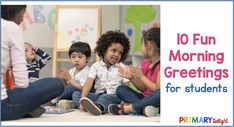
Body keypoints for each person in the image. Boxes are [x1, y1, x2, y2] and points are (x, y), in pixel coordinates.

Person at [1, 5, 65, 120]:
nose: (22, 19)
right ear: (15, 11)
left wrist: (37, 50)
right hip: (7, 102)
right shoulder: (11, 27)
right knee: (57, 83)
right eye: (22, 14)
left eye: (31, 49)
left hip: (24, 89)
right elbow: (21, 83)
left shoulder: (36, 65)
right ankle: (29, 107)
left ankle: (28, 107)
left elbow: (47, 58)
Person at [108, 27, 160, 117]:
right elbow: (144, 89)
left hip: (158, 100)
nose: (141, 48)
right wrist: (131, 78)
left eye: (142, 45)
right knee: (121, 89)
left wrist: (141, 77)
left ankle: (132, 108)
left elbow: (157, 90)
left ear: (148, 44)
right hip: (145, 99)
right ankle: (145, 108)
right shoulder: (146, 64)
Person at [76, 30, 131, 115]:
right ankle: (86, 105)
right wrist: (83, 98)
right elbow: (89, 82)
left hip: (115, 96)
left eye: (120, 53)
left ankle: (99, 107)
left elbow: (126, 86)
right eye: (113, 50)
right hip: (98, 95)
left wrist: (126, 100)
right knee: (77, 94)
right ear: (104, 49)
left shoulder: (122, 67)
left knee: (105, 97)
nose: (117, 54)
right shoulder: (96, 66)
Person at [53, 42, 91, 109]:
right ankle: (71, 103)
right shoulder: (72, 71)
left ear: (87, 59)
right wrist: (64, 79)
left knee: (73, 90)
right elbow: (66, 87)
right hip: (70, 94)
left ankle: (56, 99)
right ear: (70, 58)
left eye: (80, 57)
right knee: (59, 83)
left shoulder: (87, 71)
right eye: (73, 57)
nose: (76, 60)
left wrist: (69, 79)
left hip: (83, 94)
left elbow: (83, 88)